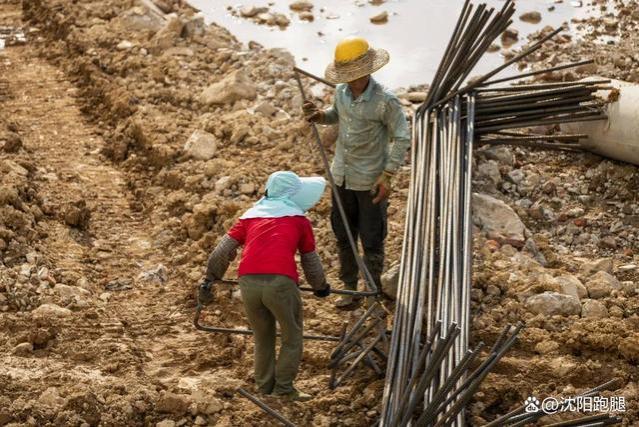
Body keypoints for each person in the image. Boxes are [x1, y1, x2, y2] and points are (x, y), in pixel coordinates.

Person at [198, 171, 330, 401]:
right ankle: (284, 389)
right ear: (293, 194)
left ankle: (264, 387)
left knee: (262, 335)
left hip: (248, 283)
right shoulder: (299, 221)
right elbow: (310, 259)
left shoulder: (250, 218)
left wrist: (211, 278)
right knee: (292, 336)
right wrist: (320, 286)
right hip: (280, 283)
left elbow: (221, 252)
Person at [303, 37, 410, 309]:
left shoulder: (386, 101)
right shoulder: (340, 92)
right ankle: (349, 289)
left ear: (367, 71)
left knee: (372, 238)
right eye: (346, 77)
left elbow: (402, 138)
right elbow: (335, 115)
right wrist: (319, 116)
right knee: (344, 234)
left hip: (370, 180)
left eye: (355, 76)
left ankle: (372, 291)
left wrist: (387, 175)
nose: (351, 81)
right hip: (342, 176)